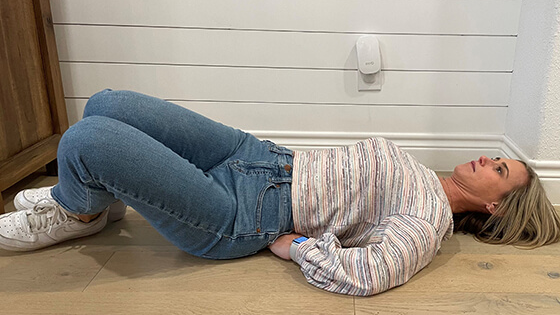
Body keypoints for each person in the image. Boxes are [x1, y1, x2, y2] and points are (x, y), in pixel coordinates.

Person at [0, 89, 558, 296]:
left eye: (500, 169)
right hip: (252, 154)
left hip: (241, 212)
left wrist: (294, 248)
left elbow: (368, 274)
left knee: (85, 138)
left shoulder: (429, 220)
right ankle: (95, 199)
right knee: (107, 105)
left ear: (494, 206)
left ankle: (76, 212)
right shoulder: (423, 174)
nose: (488, 157)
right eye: (497, 156)